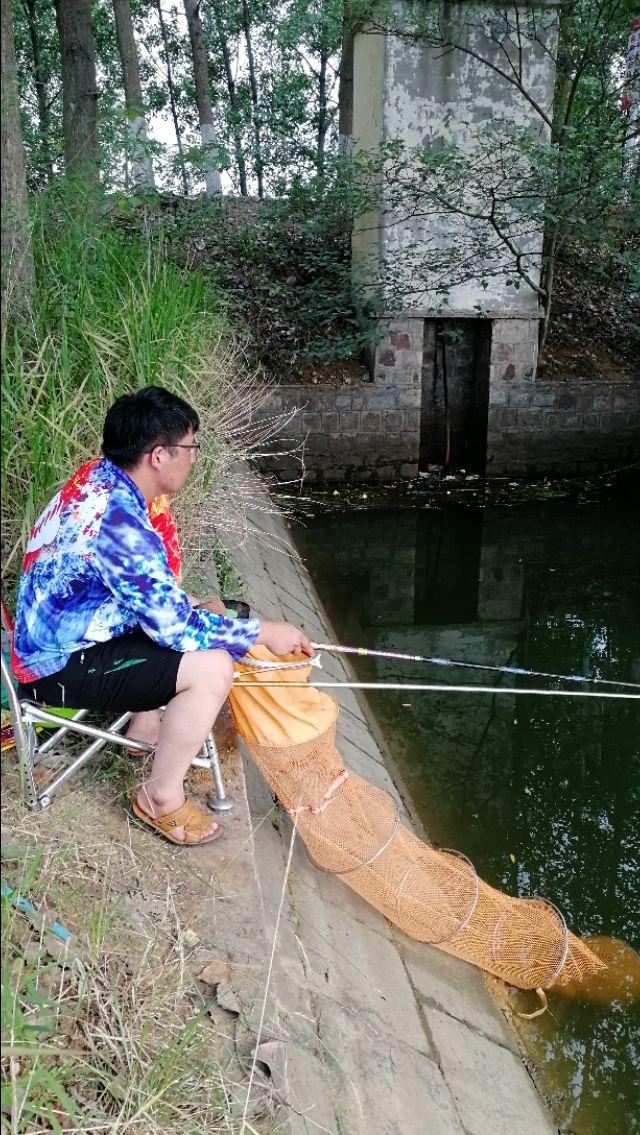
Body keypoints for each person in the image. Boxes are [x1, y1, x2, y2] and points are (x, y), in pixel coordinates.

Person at [11, 386, 311, 845]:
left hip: (67, 638)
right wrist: (263, 632)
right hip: (58, 666)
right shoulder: (119, 523)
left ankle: (148, 725)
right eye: (190, 447)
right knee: (212, 667)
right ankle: (159, 798)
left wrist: (202, 613)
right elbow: (174, 629)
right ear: (157, 455)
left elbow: (155, 602)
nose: (194, 457)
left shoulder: (101, 480)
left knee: (204, 617)